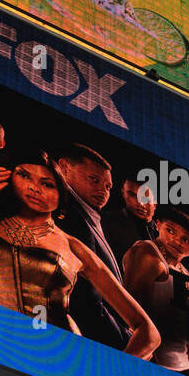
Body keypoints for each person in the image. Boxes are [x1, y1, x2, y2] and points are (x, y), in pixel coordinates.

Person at [0, 148, 159, 359]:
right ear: (10, 177)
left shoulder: (73, 246)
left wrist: (116, 373)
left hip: (60, 353)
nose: (35, 188)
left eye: (47, 184)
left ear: (60, 195)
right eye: (25, 176)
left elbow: (148, 333)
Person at [55, 144, 131, 350]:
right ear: (64, 168)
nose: (103, 191)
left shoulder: (87, 215)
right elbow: (84, 299)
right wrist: (124, 343)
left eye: (107, 187)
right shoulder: (68, 215)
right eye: (94, 180)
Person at [123, 211, 189, 376]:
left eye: (186, 239)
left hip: (179, 366)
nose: (176, 241)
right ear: (158, 225)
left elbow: (179, 324)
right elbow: (130, 312)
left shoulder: (184, 271)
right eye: (171, 231)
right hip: (149, 360)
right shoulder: (146, 252)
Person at [102, 176, 158, 267]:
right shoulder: (105, 221)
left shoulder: (163, 233)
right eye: (132, 195)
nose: (140, 203)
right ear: (123, 193)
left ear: (155, 201)